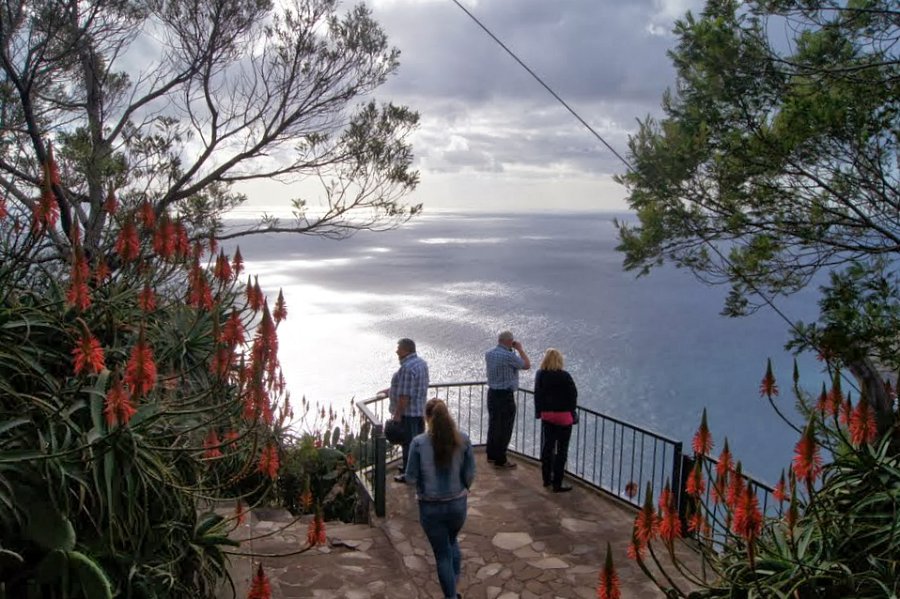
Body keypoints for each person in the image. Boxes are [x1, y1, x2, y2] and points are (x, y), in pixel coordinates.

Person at [405, 399, 476, 599]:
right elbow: (470, 475)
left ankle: (451, 596)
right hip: (457, 506)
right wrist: (462, 489)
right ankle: (453, 588)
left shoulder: (418, 443)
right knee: (452, 542)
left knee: (442, 554)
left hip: (431, 508)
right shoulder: (463, 440)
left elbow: (410, 477)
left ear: (427, 418)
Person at [534, 348, 578, 493]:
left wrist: (539, 413)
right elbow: (573, 396)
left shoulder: (540, 375)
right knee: (562, 451)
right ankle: (557, 483)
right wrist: (572, 414)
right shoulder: (565, 376)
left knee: (548, 447)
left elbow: (537, 395)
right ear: (559, 360)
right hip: (563, 417)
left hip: (547, 415)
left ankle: (546, 479)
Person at [484, 330, 530, 469]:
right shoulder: (509, 355)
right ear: (509, 342)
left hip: (492, 393)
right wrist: (520, 349)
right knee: (505, 427)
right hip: (505, 396)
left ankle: (491, 454)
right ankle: (501, 459)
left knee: (493, 424)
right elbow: (526, 365)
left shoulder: (489, 354)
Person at [388, 338, 429, 483]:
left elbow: (405, 395)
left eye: (398, 348)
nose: (396, 351)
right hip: (419, 411)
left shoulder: (406, 367)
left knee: (409, 444)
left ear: (406, 350)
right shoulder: (421, 363)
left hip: (409, 414)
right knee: (417, 443)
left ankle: (409, 473)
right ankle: (413, 468)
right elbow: (414, 387)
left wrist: (397, 415)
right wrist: (390, 391)